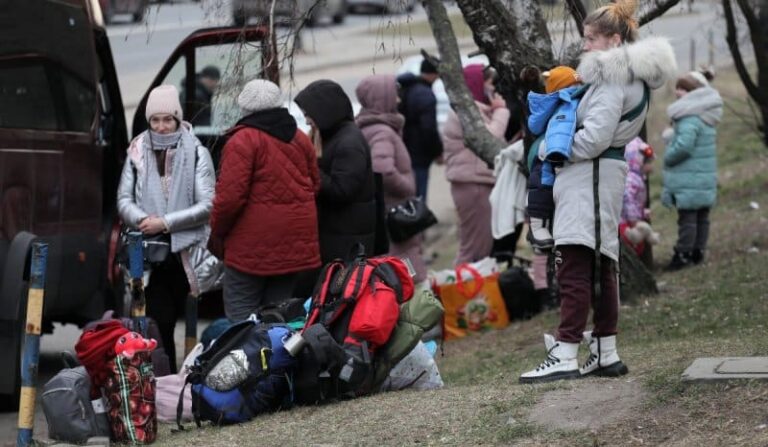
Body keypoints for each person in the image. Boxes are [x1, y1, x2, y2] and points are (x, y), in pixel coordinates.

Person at [518, 0, 677, 383]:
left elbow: (594, 138)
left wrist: (550, 148)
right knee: (603, 261)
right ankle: (605, 351)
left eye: (591, 39)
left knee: (574, 260)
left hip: (588, 173)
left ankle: (566, 351)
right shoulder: (633, 76)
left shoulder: (611, 76)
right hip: (600, 175)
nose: (584, 46)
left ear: (615, 39)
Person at [117, 84, 216, 373]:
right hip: (149, 253)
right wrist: (142, 220)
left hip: (186, 253)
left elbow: (208, 204)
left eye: (167, 119)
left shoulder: (196, 152)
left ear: (177, 119)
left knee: (188, 320)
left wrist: (166, 222)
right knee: (159, 321)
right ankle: (165, 380)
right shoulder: (137, 152)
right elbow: (124, 199)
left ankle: (183, 382)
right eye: (155, 120)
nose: (161, 127)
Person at [209, 79, 322, 322]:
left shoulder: (243, 140)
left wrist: (217, 233)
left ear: (245, 108)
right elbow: (315, 184)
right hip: (293, 244)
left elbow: (229, 199)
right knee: (278, 316)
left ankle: (246, 360)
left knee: (241, 319)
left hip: (250, 248)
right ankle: (274, 359)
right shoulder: (300, 138)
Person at [294, 80, 377, 263]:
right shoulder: (332, 136)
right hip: (338, 235)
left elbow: (342, 190)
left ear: (326, 112)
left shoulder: (349, 143)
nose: (307, 121)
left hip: (346, 242)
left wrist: (309, 168)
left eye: (310, 115)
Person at [355, 74, 427, 283]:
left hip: (387, 211)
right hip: (395, 212)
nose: (398, 100)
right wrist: (407, 187)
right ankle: (417, 311)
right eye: (394, 95)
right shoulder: (382, 131)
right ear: (382, 98)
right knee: (407, 266)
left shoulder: (371, 127)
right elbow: (382, 169)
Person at [442, 64, 509, 265]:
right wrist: (502, 111)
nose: (493, 90)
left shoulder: (475, 110)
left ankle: (469, 289)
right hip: (473, 185)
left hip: (476, 183)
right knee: (475, 248)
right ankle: (461, 291)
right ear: (477, 85)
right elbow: (489, 137)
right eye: (489, 85)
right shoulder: (465, 112)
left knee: (480, 245)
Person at [661, 70, 722, 270]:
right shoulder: (705, 116)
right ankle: (698, 251)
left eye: (684, 89)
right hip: (703, 176)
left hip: (690, 179)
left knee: (688, 219)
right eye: (678, 88)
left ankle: (683, 254)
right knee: (701, 218)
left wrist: (669, 156)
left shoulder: (689, 118)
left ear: (694, 93)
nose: (678, 92)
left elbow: (685, 146)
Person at [525, 65, 584, 250]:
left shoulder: (566, 100)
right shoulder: (568, 102)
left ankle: (540, 225)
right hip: (551, 153)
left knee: (544, 183)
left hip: (550, 151)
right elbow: (561, 127)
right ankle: (536, 226)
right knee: (542, 181)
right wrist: (556, 151)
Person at [397, 58, 443, 200]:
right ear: (434, 73)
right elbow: (428, 128)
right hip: (419, 152)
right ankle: (418, 216)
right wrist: (437, 152)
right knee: (419, 190)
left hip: (405, 146)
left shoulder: (409, 87)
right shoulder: (425, 94)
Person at [620, 137, 660, 257]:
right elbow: (628, 201)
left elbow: (636, 201)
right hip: (626, 223)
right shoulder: (630, 179)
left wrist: (643, 213)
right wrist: (634, 220)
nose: (650, 167)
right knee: (633, 246)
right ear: (636, 161)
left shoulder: (636, 177)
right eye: (647, 162)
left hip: (632, 221)